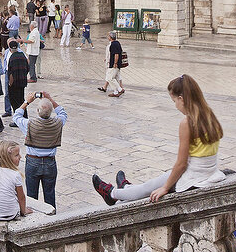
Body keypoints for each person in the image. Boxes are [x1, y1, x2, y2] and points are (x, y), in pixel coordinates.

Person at [92, 74, 224, 204]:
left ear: (181, 99)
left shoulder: (188, 123)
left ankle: (112, 193)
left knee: (148, 188)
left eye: (174, 101)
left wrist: (165, 188)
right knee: (153, 183)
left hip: (194, 176)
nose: (175, 106)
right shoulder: (209, 114)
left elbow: (181, 164)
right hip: (208, 171)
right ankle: (125, 188)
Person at [12, 89, 67, 211]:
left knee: (32, 196)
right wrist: (50, 99)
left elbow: (16, 115)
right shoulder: (58, 122)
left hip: (32, 162)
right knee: (50, 194)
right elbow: (63, 113)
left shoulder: (29, 124)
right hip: (50, 162)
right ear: (51, 111)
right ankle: (52, 219)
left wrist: (27, 101)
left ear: (37, 111)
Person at [6, 38, 29, 114]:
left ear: (10, 48)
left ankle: (18, 118)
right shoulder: (22, 55)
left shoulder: (12, 58)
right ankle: (25, 116)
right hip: (22, 82)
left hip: (14, 84)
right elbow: (27, 68)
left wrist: (10, 84)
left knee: (15, 102)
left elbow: (11, 73)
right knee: (21, 100)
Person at [103, 31, 124, 97]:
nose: (108, 37)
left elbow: (116, 54)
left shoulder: (113, 44)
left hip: (114, 64)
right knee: (111, 78)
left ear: (110, 37)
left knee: (110, 78)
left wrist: (115, 63)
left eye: (108, 36)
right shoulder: (117, 43)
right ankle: (116, 91)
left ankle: (119, 90)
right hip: (117, 63)